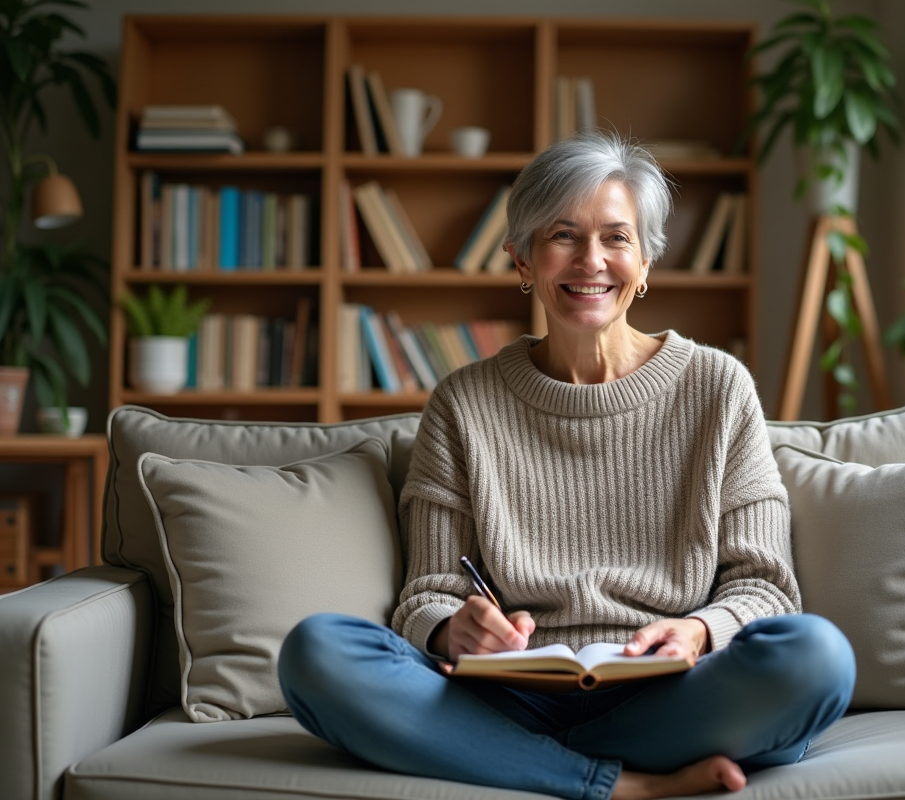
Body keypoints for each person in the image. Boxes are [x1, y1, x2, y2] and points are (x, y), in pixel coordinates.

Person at [278, 130, 855, 800]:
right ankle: (618, 783)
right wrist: (452, 627)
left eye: (616, 237)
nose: (591, 261)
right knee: (316, 652)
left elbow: (767, 590)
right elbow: (426, 594)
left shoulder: (718, 388)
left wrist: (699, 630)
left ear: (645, 262)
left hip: (670, 694)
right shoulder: (463, 402)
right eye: (562, 236)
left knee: (817, 658)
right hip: (509, 695)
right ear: (522, 259)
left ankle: (506, 762)